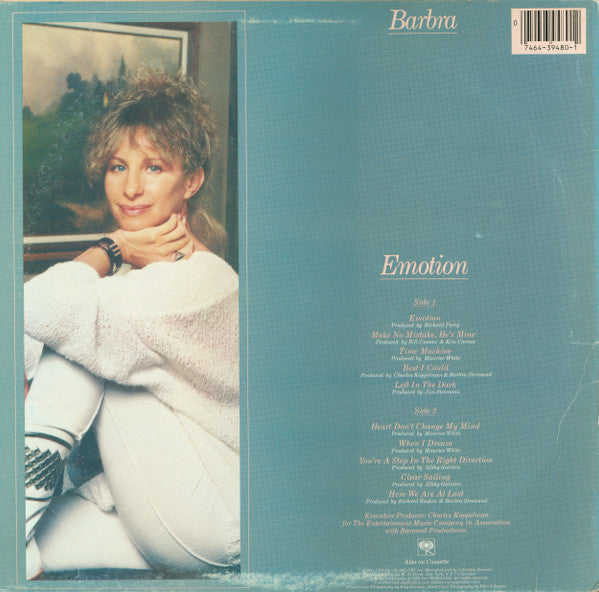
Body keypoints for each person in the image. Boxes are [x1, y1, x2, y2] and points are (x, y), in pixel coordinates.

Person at [23, 70, 240, 579]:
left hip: (213, 513)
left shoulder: (198, 280)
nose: (131, 187)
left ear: (191, 181)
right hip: (154, 502)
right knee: (27, 552)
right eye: (118, 166)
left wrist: (112, 246)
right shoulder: (133, 281)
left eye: (154, 167)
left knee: (76, 338)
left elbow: (34, 312)